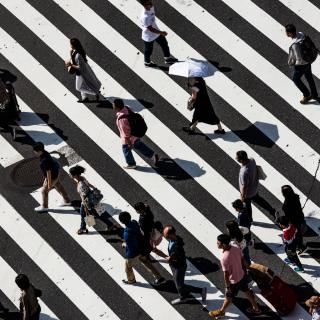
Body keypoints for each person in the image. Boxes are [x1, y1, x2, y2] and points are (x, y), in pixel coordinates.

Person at [209, 234, 261, 318]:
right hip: (242, 275)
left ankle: (221, 311)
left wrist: (228, 286)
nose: (217, 244)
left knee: (228, 297)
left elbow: (226, 274)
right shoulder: (236, 248)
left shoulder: (224, 258)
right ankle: (256, 308)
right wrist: (248, 268)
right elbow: (242, 259)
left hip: (234, 281)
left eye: (218, 243)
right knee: (247, 291)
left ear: (224, 245)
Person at [163, 225, 207, 305]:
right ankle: (183, 296)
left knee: (180, 285)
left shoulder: (177, 247)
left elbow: (178, 258)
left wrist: (170, 258)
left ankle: (200, 291)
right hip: (174, 265)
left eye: (166, 235)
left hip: (179, 267)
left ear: (172, 234)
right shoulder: (173, 239)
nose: (165, 236)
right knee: (177, 283)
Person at [119, 211, 165, 285]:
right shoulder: (134, 222)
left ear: (121, 221)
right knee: (147, 263)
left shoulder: (127, 234)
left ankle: (131, 280)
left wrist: (125, 244)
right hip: (142, 248)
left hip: (134, 253)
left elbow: (131, 247)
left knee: (128, 267)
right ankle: (159, 278)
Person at [113, 98, 159, 169]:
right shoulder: (127, 107)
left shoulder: (121, 119)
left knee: (125, 149)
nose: (113, 106)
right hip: (135, 132)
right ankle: (152, 155)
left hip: (129, 138)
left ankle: (131, 163)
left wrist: (129, 144)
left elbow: (125, 134)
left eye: (114, 105)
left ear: (117, 107)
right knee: (138, 145)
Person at [69, 165, 114, 235]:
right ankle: (83, 227)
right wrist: (95, 189)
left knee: (94, 214)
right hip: (90, 199)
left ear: (75, 175)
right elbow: (89, 184)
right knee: (85, 214)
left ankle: (110, 224)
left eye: (71, 174)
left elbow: (84, 197)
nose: (70, 175)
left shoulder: (81, 185)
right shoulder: (82, 178)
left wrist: (86, 208)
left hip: (87, 202)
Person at [236, 150, 276, 222]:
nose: (236, 158)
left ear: (241, 160)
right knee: (260, 201)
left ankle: (249, 219)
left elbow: (245, 186)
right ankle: (272, 211)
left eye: (237, 158)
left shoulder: (244, 172)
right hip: (255, 188)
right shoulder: (252, 160)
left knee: (248, 206)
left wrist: (243, 196)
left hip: (248, 193)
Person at [285, 24, 320, 104]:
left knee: (295, 79)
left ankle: (307, 95)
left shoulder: (294, 44)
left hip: (302, 65)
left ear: (290, 33)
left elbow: (299, 58)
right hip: (308, 60)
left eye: (286, 32)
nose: (286, 33)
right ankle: (314, 95)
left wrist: (294, 65)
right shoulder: (301, 34)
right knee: (309, 78)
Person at [33, 142, 70, 212]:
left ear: (39, 151)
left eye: (35, 151)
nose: (34, 152)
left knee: (44, 191)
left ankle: (45, 206)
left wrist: (49, 184)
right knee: (58, 185)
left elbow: (48, 172)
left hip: (51, 177)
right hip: (56, 173)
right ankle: (67, 200)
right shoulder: (45, 153)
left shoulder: (44, 161)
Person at [140, 0, 177, 67]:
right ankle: (147, 63)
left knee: (164, 44)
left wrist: (160, 32)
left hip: (156, 32)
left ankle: (167, 58)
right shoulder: (145, 17)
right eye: (149, 3)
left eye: (151, 2)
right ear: (145, 5)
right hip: (149, 36)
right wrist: (161, 33)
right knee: (148, 51)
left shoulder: (151, 7)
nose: (151, 4)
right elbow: (150, 29)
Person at [65, 38, 102, 103]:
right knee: (81, 85)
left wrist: (70, 65)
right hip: (80, 71)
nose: (70, 45)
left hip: (81, 73)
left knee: (78, 88)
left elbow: (80, 68)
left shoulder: (78, 55)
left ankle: (95, 93)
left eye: (70, 44)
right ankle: (84, 97)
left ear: (73, 45)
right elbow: (73, 59)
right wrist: (70, 54)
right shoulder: (74, 51)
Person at [281, 185, 307, 254]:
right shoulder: (295, 196)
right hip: (299, 216)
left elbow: (289, 214)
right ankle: (300, 246)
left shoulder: (287, 203)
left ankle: (301, 246)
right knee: (298, 232)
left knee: (296, 233)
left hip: (294, 221)